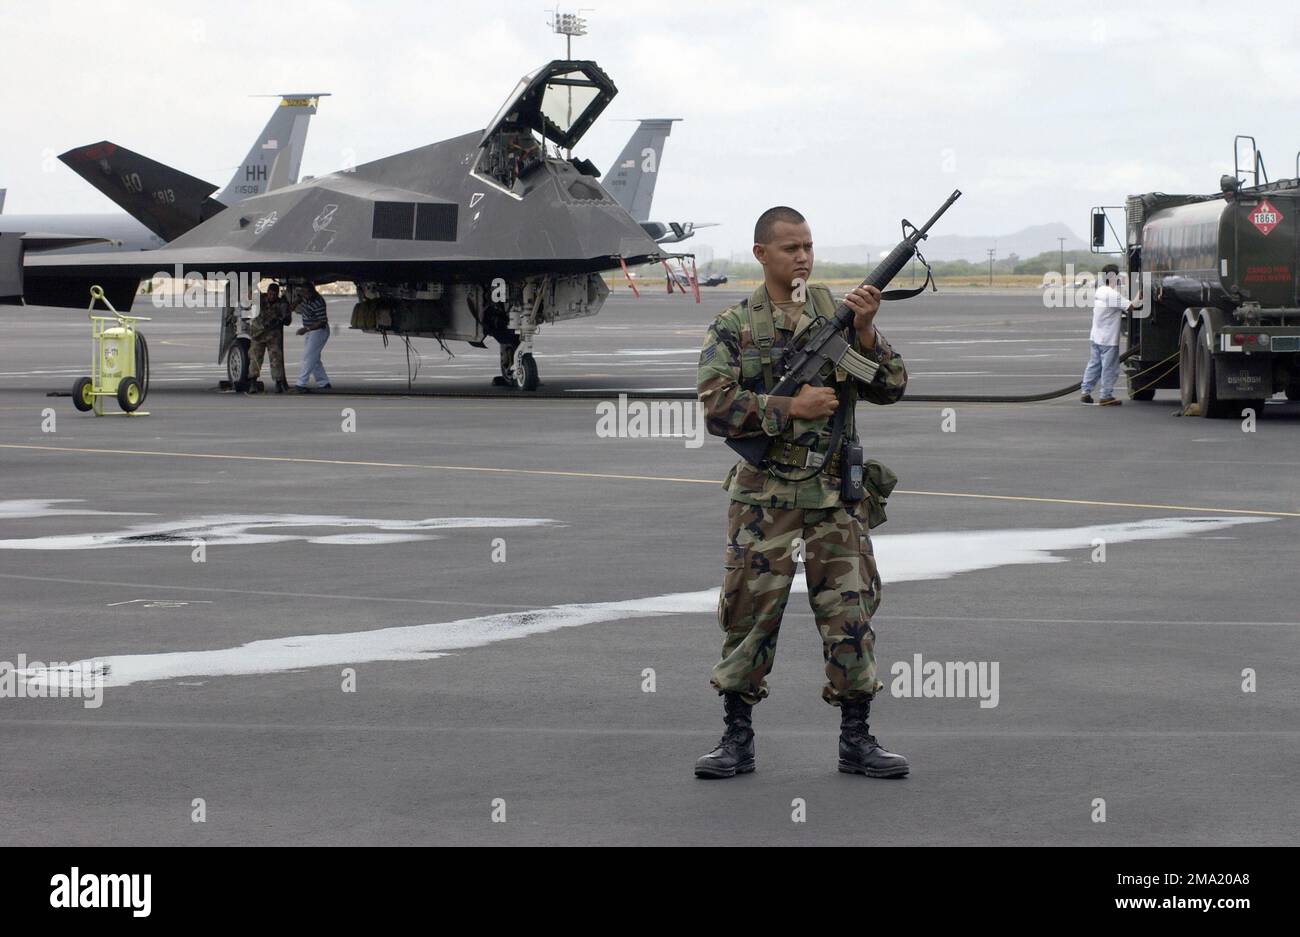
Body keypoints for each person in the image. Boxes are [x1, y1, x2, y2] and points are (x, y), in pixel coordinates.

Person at [694, 205, 910, 780]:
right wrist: (792, 407)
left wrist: (865, 333)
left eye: (808, 246)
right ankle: (735, 739)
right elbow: (717, 409)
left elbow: (891, 387)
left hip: (834, 500)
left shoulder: (840, 319)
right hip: (762, 504)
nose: (803, 257)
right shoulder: (733, 326)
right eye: (791, 248)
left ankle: (856, 739)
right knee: (749, 619)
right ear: (762, 254)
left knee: (850, 619)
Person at [1081, 263, 1139, 406]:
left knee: (1094, 365)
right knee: (1110, 368)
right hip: (1108, 340)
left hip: (1095, 337)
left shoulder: (1100, 291)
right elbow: (1132, 307)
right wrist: (1140, 294)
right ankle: (1105, 396)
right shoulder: (1112, 295)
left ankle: (1085, 392)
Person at [245, 282, 290, 394]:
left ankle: (278, 383)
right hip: (258, 334)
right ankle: (252, 382)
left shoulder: (281, 304)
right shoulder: (260, 299)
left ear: (277, 294)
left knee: (276, 359)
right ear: (267, 292)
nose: (272, 296)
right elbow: (250, 299)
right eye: (270, 294)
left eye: (274, 294)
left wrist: (281, 318)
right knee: (255, 358)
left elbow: (287, 320)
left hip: (273, 336)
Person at [290, 284, 332, 392]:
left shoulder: (318, 302)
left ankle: (301, 383)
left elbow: (322, 322)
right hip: (310, 330)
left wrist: (307, 329)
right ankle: (323, 382)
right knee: (314, 358)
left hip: (318, 331)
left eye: (304, 293)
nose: (303, 295)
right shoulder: (305, 298)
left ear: (310, 292)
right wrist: (297, 300)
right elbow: (292, 308)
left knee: (308, 356)